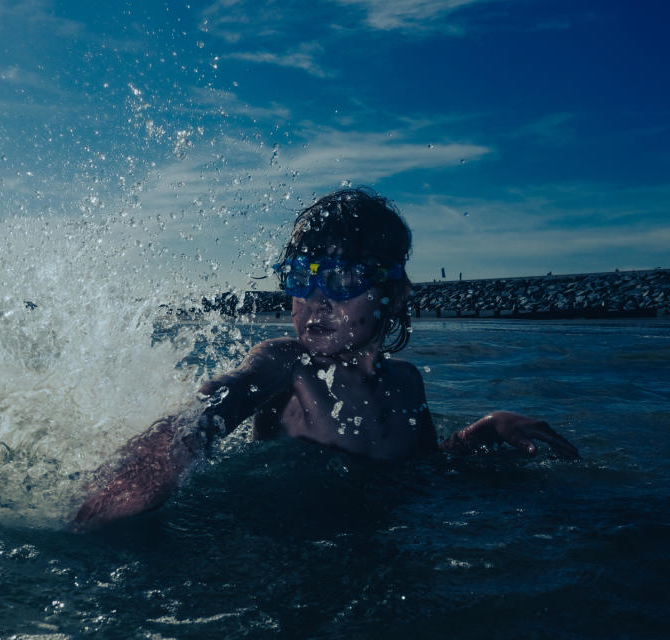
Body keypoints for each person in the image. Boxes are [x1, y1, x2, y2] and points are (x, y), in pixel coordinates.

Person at [72, 187, 579, 530]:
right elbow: (213, 407)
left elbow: (428, 468)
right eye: (300, 277)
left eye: (340, 280)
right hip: (290, 551)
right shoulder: (286, 366)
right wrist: (153, 464)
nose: (315, 299)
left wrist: (484, 432)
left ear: (394, 293)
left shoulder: (406, 382)